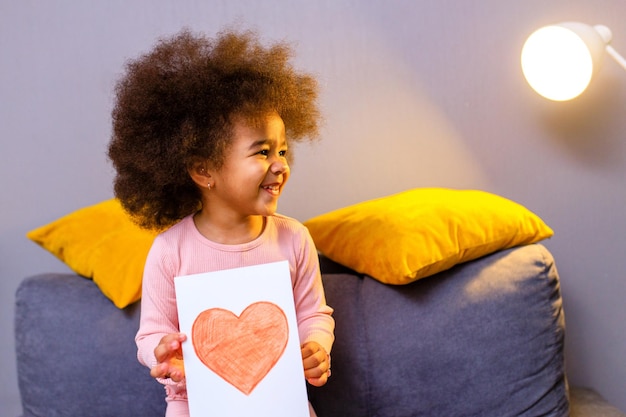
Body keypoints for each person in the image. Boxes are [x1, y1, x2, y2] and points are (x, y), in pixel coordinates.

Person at [107, 27, 334, 417]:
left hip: (280, 400)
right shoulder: (170, 250)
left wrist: (316, 346)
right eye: (262, 151)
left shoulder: (294, 238)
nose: (281, 164)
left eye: (282, 149)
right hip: (193, 405)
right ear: (203, 169)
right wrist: (161, 352)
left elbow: (314, 313)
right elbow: (151, 333)